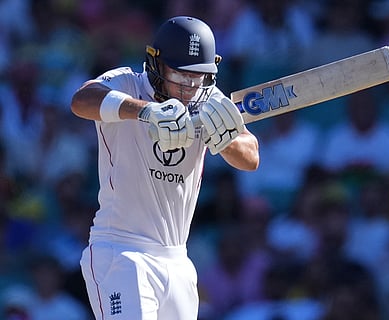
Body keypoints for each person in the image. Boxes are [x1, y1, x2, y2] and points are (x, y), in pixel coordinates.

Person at [70, 16, 259, 320]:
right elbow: (81, 100)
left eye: (197, 77)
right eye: (180, 75)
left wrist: (227, 141)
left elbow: (251, 158)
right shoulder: (128, 82)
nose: (188, 87)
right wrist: (146, 112)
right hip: (121, 251)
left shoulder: (208, 98)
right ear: (156, 64)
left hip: (178, 259)